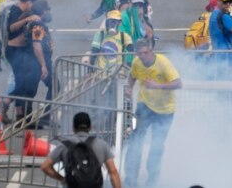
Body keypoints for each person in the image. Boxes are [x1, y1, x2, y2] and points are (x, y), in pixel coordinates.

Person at [124, 40, 181, 187]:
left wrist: (157, 86)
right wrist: (129, 88)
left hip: (165, 110)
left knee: (157, 145)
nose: (143, 56)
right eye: (140, 54)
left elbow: (178, 83)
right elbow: (132, 76)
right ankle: (130, 178)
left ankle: (152, 181)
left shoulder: (163, 62)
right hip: (145, 105)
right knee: (135, 141)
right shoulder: (137, 62)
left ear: (151, 51)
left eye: (145, 53)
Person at [42, 112, 121, 188]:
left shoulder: (64, 145)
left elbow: (45, 166)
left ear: (73, 127)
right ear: (90, 127)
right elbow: (113, 172)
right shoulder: (101, 145)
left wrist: (62, 179)